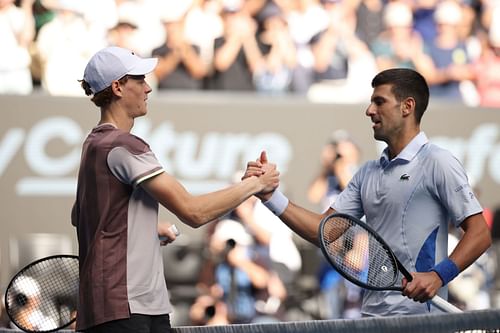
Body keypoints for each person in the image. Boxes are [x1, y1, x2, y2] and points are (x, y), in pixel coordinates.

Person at [244, 68, 492, 317]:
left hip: (421, 320)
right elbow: (325, 232)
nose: (369, 110)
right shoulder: (366, 173)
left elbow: (480, 233)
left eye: (379, 101)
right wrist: (270, 196)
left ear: (407, 107)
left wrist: (438, 276)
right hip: (372, 317)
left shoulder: (438, 162)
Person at [72, 46, 279, 333]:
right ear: (118, 87)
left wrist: (146, 227)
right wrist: (256, 185)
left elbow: (90, 218)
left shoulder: (93, 145)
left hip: (116, 308)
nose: (148, 88)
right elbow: (194, 212)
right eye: (140, 80)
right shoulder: (124, 145)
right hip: (128, 309)